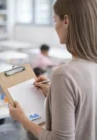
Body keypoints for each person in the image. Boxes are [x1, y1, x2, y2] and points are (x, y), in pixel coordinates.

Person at [9, 0, 97, 140]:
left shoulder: (64, 75)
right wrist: (53, 93)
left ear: (66, 21)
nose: (55, 27)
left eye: (55, 20)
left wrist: (23, 119)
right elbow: (86, 107)